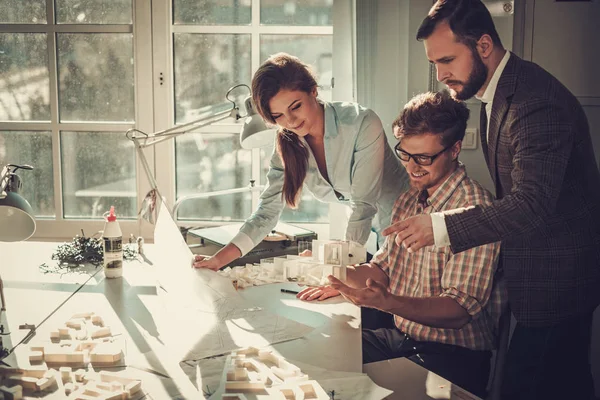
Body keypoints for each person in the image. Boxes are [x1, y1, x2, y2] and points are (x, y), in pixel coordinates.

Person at [384, 1, 600, 398]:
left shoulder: (534, 102)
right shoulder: (496, 96)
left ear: (484, 45)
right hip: (535, 273)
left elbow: (532, 204)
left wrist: (440, 226)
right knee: (565, 383)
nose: (440, 74)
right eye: (434, 62)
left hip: (557, 278)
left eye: (447, 59)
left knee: (533, 386)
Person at [300, 91, 506, 397]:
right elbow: (383, 268)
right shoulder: (410, 198)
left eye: (424, 157)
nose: (412, 167)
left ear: (455, 149)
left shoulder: (475, 209)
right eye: (405, 154)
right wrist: (334, 271)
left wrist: (387, 302)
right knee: (318, 356)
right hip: (400, 338)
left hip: (454, 358)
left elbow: (457, 311)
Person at [193, 53, 409, 271]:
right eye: (278, 116)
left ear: (313, 91)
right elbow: (266, 214)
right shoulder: (286, 146)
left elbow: (363, 206)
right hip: (362, 238)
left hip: (408, 226)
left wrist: (340, 272)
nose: (290, 121)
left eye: (295, 106)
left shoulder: (361, 123)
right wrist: (218, 261)